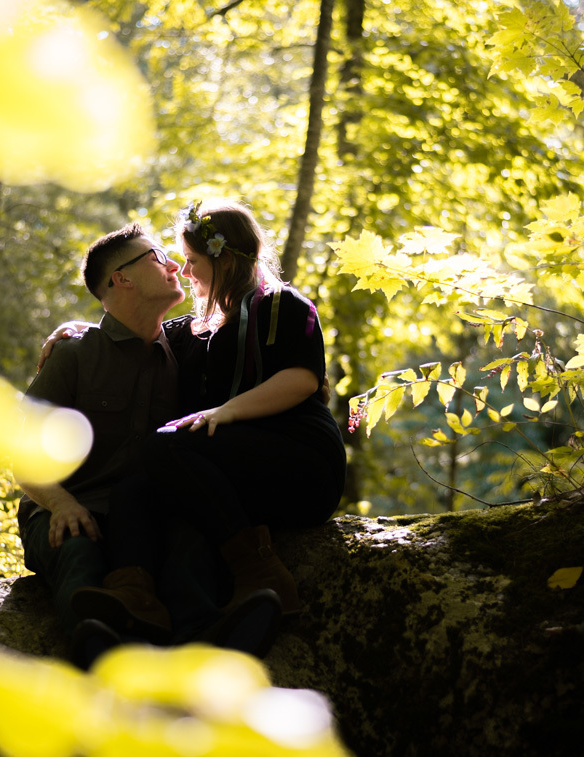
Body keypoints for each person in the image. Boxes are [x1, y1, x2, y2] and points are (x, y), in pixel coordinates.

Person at [70, 199, 346, 625]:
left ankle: (264, 576)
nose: (185, 270)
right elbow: (129, 328)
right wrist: (75, 333)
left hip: (300, 461)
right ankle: (135, 598)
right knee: (133, 488)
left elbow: (302, 378)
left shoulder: (284, 307)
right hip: (232, 476)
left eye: (192, 259)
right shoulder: (192, 330)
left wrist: (227, 411)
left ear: (226, 260)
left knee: (164, 448)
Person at [19, 223, 276, 668]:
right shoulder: (74, 354)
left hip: (146, 513)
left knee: (189, 542)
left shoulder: (184, 348)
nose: (176, 265)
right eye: (158, 257)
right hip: (71, 506)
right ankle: (99, 652)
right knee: (80, 548)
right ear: (122, 278)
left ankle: (210, 642)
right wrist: (60, 503)